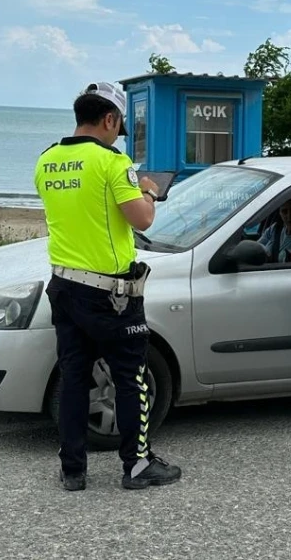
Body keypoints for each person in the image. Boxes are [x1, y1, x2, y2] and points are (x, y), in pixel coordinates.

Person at [34, 81, 182, 491]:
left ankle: (73, 470)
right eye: (119, 126)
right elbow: (142, 220)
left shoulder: (47, 159)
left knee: (74, 377)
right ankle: (137, 465)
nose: (119, 134)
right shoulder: (113, 162)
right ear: (109, 118)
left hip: (64, 285)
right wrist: (148, 191)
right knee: (130, 376)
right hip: (110, 293)